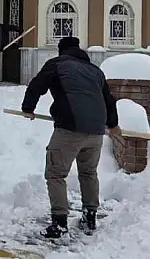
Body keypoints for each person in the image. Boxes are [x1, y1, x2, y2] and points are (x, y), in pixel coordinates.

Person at [20, 36, 121, 238]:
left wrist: (28, 108)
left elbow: (36, 85)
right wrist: (113, 125)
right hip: (96, 132)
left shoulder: (57, 64)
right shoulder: (96, 71)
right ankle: (89, 218)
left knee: (56, 174)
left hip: (69, 129)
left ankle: (59, 224)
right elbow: (109, 101)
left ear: (61, 51)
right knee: (88, 173)